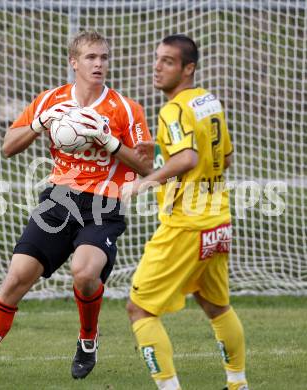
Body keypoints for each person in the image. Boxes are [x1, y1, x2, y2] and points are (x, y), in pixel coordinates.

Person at [0, 30, 152, 383]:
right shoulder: (50, 100)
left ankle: (88, 339)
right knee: (16, 278)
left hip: (104, 203)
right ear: (74, 62)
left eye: (103, 57)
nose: (99, 63)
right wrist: (40, 123)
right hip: (58, 200)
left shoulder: (126, 109)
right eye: (90, 57)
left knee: (85, 274)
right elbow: (9, 146)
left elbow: (146, 166)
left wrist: (109, 140)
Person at [122, 34, 248, 390]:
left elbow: (188, 158)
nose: (157, 67)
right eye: (157, 59)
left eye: (168, 62)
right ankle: (238, 384)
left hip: (185, 225)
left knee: (140, 310)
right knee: (216, 306)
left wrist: (143, 184)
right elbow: (223, 157)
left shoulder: (174, 108)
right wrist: (162, 147)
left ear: (188, 68)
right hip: (218, 221)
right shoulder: (208, 101)